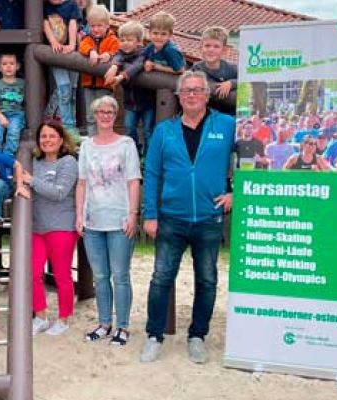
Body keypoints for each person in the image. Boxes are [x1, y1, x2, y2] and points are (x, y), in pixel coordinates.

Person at [140, 71, 235, 364]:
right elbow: (152, 173)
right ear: (179, 97)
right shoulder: (164, 131)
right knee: (161, 278)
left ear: (207, 94)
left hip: (209, 218)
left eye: (197, 90)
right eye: (187, 91)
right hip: (172, 218)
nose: (192, 95)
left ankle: (197, 336)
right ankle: (154, 336)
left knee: (206, 280)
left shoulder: (228, 125)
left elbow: (251, 159)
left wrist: (236, 192)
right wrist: (150, 214)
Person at [75, 95, 141, 347]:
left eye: (110, 112)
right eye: (101, 111)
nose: (105, 115)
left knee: (120, 275)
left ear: (115, 116)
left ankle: (122, 325)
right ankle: (104, 323)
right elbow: (82, 183)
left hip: (119, 219)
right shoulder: (87, 146)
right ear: (95, 115)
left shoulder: (126, 144)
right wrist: (79, 215)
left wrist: (133, 214)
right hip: (93, 220)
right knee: (100, 276)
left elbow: (134, 181)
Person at [20, 121, 79, 336]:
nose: (47, 140)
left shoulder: (68, 162)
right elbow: (23, 182)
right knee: (33, 273)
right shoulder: (34, 163)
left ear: (61, 140)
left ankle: (63, 319)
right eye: (43, 136)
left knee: (62, 274)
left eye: (52, 136)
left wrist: (32, 181)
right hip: (37, 227)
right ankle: (41, 316)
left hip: (61, 226)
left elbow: (59, 192)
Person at [104, 20, 154, 152]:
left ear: (139, 42)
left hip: (147, 101)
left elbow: (136, 66)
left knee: (148, 130)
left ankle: (148, 156)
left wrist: (120, 76)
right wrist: (114, 67)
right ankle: (135, 151)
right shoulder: (121, 53)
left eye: (129, 40)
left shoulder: (143, 54)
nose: (125, 43)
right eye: (122, 39)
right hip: (130, 102)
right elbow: (117, 57)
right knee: (129, 127)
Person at [77, 5, 118, 136]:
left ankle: (105, 139)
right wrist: (92, 52)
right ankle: (92, 140)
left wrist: (109, 55)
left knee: (106, 115)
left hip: (105, 86)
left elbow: (118, 52)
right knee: (91, 116)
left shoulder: (112, 39)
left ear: (107, 25)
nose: (95, 29)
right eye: (92, 26)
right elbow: (82, 46)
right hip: (89, 85)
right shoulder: (87, 39)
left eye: (99, 26)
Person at [44, 0, 82, 134]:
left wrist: (71, 44)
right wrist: (53, 42)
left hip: (72, 53)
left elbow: (73, 23)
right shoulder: (45, 6)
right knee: (64, 89)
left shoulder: (71, 5)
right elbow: (46, 25)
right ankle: (68, 126)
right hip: (56, 53)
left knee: (72, 90)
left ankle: (70, 123)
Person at [190, 26, 237, 115]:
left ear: (224, 50)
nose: (211, 50)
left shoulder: (232, 68)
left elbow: (245, 80)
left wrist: (231, 83)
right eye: (207, 46)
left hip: (230, 112)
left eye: (216, 46)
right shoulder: (197, 68)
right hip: (207, 112)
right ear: (201, 48)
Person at [0, 53, 26, 155]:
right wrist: (1, 117)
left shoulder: (23, 83)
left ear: (17, 66)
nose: (8, 67)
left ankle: (8, 157)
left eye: (12, 64)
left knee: (13, 133)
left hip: (16, 115)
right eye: (4, 64)